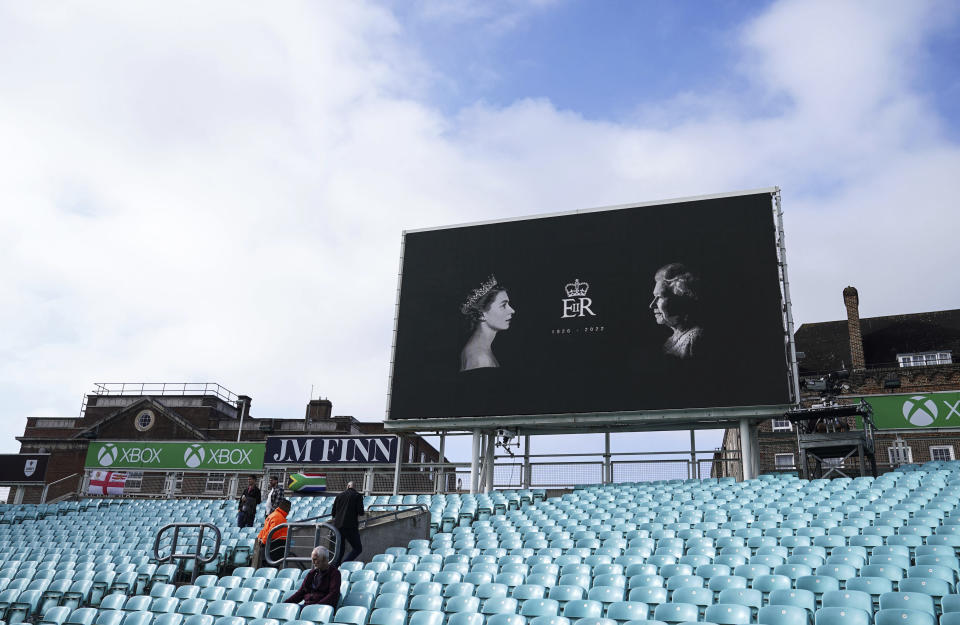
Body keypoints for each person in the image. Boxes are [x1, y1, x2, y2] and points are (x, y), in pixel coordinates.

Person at [649, 263, 705, 359]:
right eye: (654, 297)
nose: (651, 305)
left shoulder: (695, 341)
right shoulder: (670, 341)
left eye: (660, 297)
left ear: (681, 300)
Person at [460, 275, 515, 372]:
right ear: (481, 314)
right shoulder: (480, 359)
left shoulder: (482, 348)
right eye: (503, 305)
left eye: (508, 304)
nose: (512, 310)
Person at [331, 481, 365, 564]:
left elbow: (333, 513)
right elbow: (361, 512)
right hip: (350, 526)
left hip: (338, 526)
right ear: (355, 487)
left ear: (347, 486)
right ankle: (344, 564)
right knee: (358, 548)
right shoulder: (357, 496)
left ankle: (336, 567)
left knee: (340, 550)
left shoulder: (339, 495)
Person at [257, 498, 290, 563]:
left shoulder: (272, 515)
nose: (289, 510)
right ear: (285, 507)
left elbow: (264, 530)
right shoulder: (279, 517)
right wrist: (263, 542)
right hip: (274, 548)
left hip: (269, 547)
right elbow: (271, 532)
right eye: (289, 508)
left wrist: (260, 538)